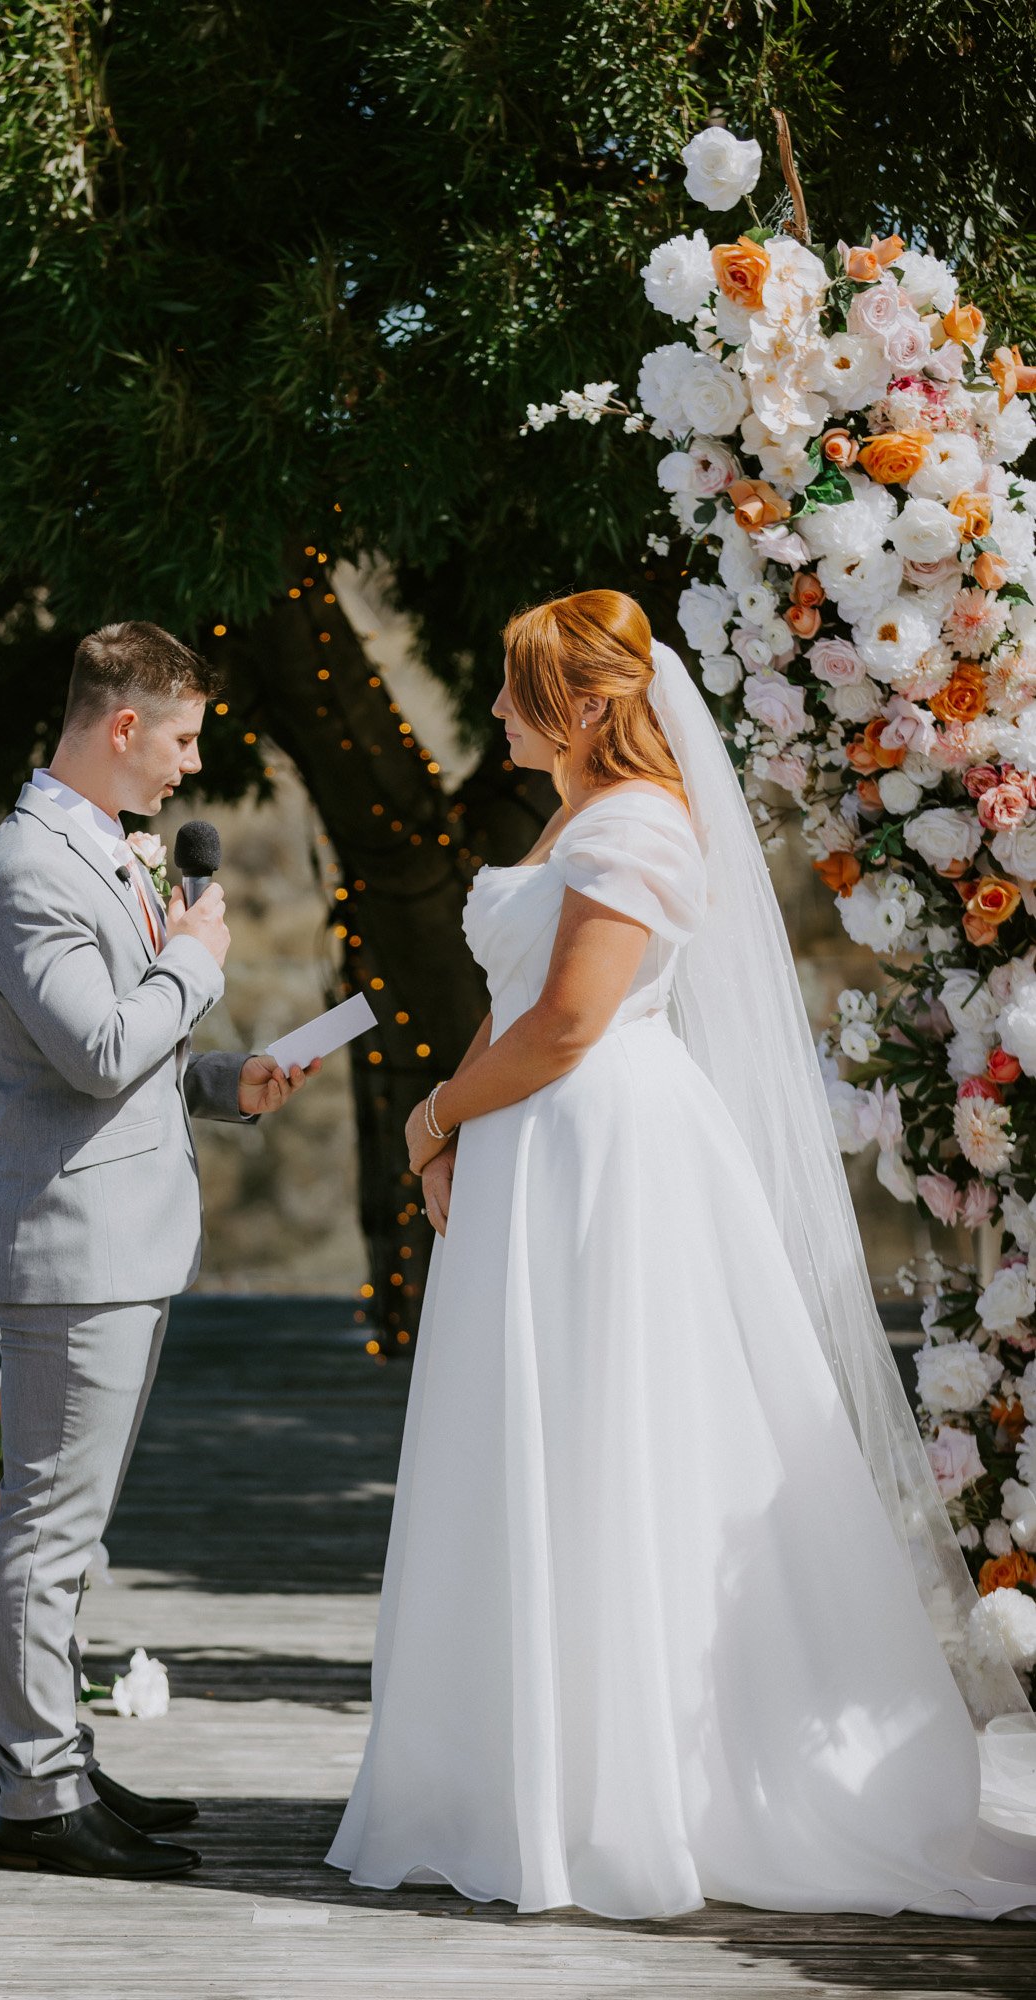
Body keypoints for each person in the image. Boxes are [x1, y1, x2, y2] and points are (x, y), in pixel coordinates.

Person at [327, 588, 1036, 1920]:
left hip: (599, 1154)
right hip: (529, 1146)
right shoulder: (571, 817)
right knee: (534, 1440)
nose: (493, 707)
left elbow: (570, 1022)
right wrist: (443, 1135)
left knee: (615, 1440)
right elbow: (512, 1007)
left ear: (584, 704)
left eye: (517, 687)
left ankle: (638, 1787)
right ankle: (525, 1774)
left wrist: (431, 1117)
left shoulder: (639, 823)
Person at [0, 620, 318, 1879]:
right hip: (74, 1248)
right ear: (122, 725)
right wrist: (196, 962)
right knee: (47, 1528)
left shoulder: (96, 846)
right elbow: (99, 1049)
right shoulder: (27, 869)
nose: (190, 763)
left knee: (71, 1528)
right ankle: (37, 1796)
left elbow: (120, 1058)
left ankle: (60, 1757)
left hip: (120, 1237)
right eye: (183, 736)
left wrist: (224, 1078)